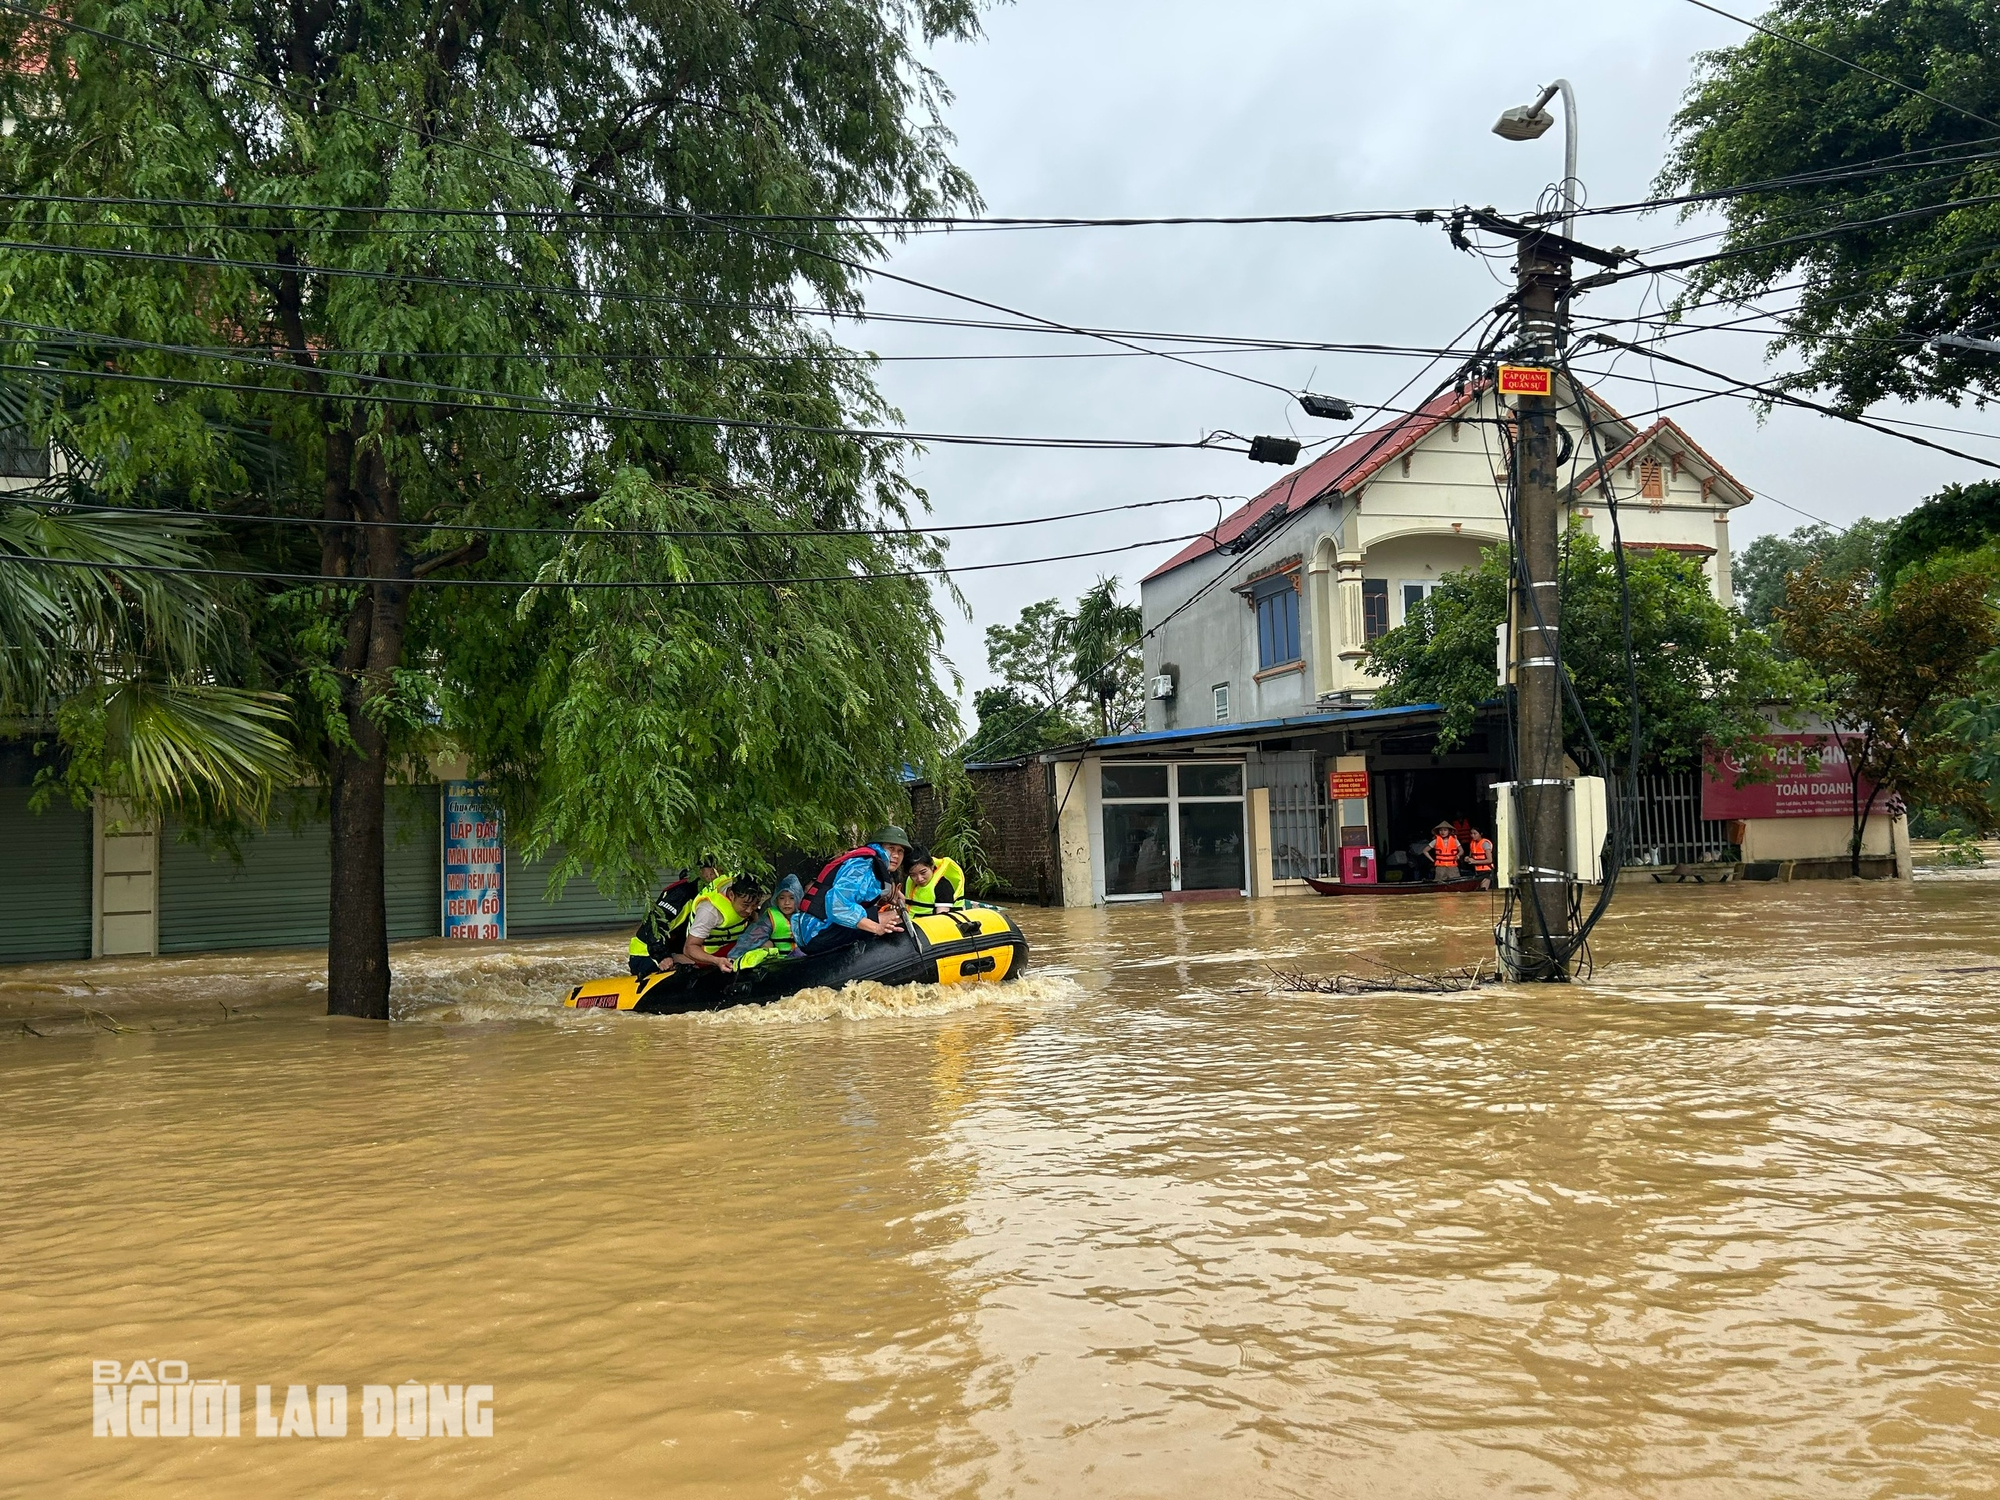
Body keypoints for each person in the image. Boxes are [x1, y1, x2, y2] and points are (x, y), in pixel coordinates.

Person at [790, 826, 909, 956]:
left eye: (900, 851)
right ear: (879, 846)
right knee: (893, 918)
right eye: (891, 848)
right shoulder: (862, 864)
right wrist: (877, 927)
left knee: (890, 915)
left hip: (820, 930)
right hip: (817, 932)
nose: (896, 855)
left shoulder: (872, 864)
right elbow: (838, 906)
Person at [628, 857, 720, 977]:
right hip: (646, 955)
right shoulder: (683, 892)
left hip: (677, 952)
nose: (717, 873)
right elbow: (656, 922)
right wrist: (662, 956)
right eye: (713, 868)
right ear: (701, 871)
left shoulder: (715, 894)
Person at [675, 872, 765, 974]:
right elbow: (689, 948)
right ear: (731, 895)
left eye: (754, 905)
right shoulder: (709, 911)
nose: (749, 911)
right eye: (745, 905)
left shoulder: (744, 892)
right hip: (710, 953)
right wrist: (717, 961)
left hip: (734, 944)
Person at [727, 875, 803, 971]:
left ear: (799, 898)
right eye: (782, 898)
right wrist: (733, 957)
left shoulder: (806, 916)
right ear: (776, 900)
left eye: (792, 898)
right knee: (767, 944)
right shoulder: (770, 918)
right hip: (779, 965)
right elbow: (751, 939)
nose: (787, 902)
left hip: (804, 961)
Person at [903, 846, 966, 916]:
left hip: (934, 924)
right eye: (913, 875)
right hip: (912, 923)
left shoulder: (943, 886)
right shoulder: (910, 881)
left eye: (923, 872)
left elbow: (940, 918)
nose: (919, 879)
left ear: (932, 866)